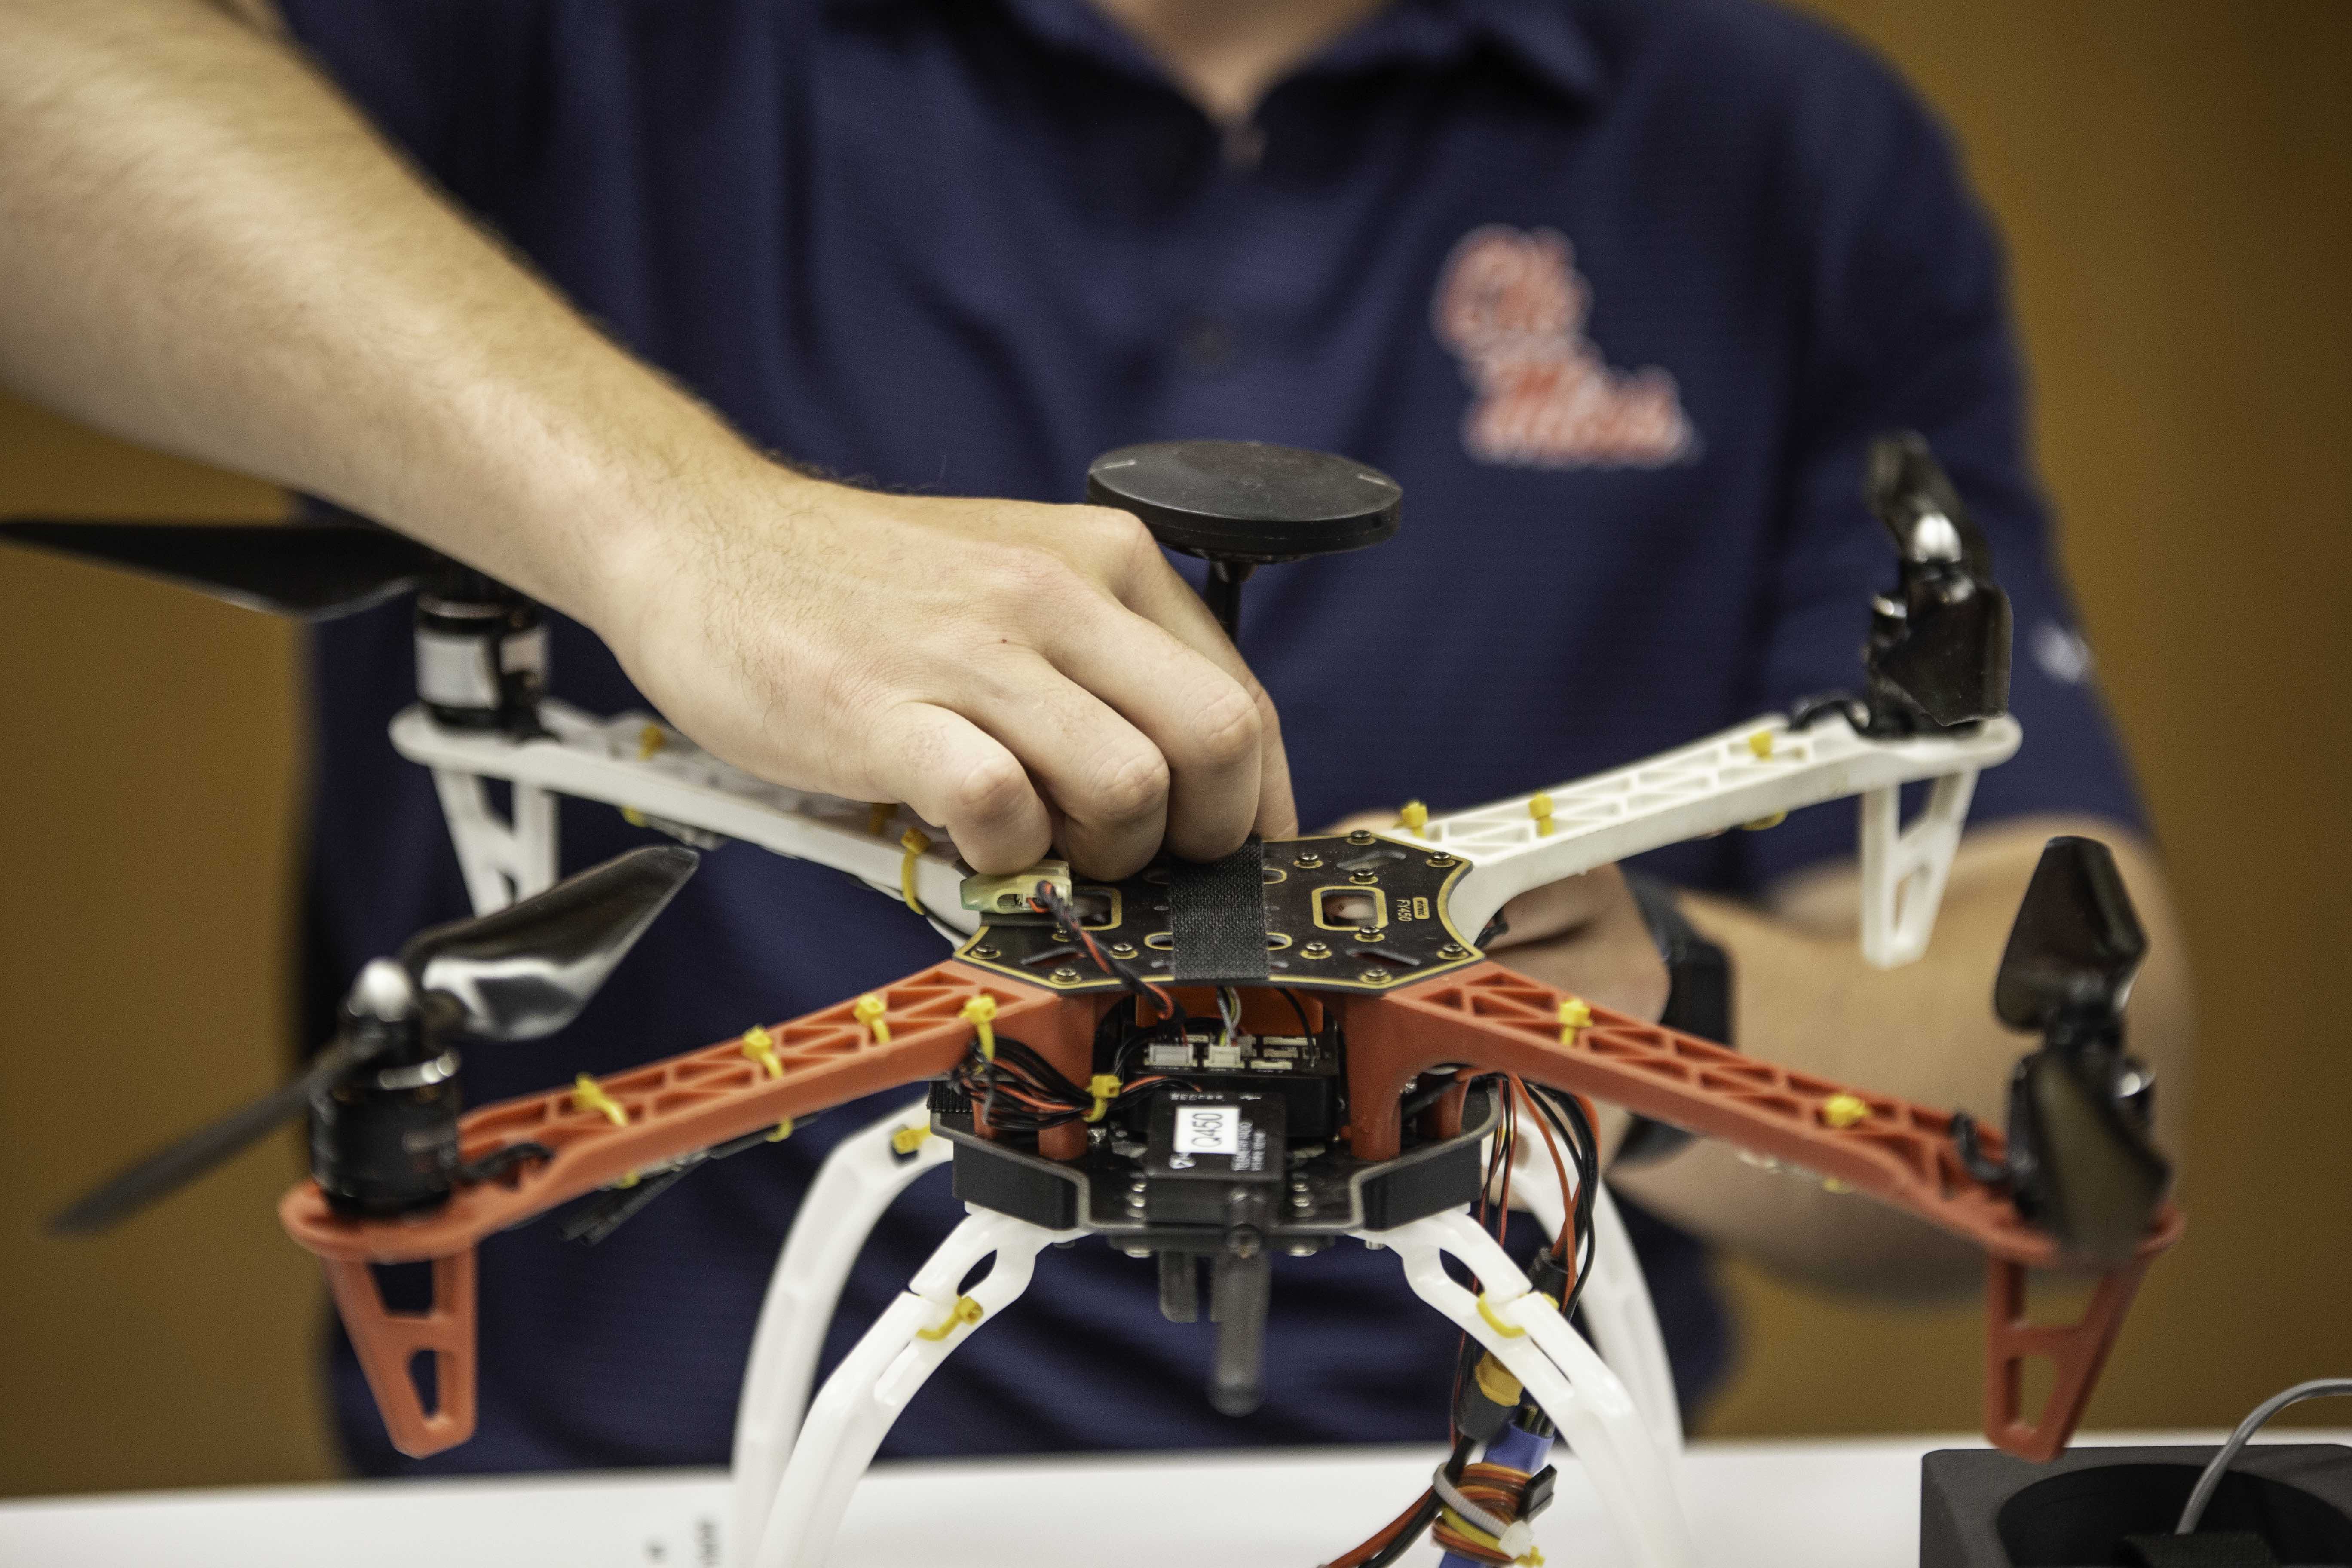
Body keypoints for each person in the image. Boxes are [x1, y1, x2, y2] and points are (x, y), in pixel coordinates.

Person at [0, 0, 2191, 1474]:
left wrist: (1640, 1005)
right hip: (617, 1505)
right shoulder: (599, 46)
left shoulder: (1776, 139)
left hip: (1486, 1490)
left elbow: (2081, 1086)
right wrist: (675, 527)